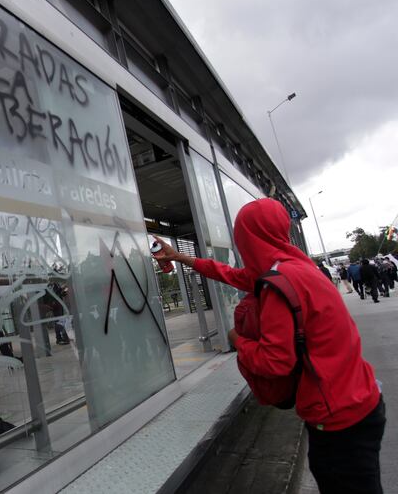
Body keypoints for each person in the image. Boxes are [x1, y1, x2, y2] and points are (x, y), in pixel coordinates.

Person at [153, 198, 384, 494]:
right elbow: (228, 273)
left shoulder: (278, 284)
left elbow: (275, 362)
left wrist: (238, 340)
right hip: (360, 400)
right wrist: (182, 258)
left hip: (338, 419)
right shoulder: (297, 266)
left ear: (248, 238)